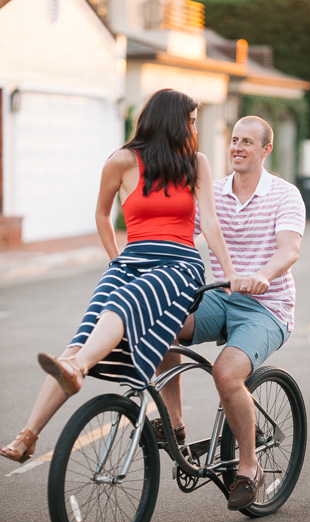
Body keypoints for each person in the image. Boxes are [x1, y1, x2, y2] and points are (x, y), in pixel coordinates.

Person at [0, 89, 238, 465]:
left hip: (180, 265)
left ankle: (78, 369)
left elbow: (208, 221)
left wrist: (230, 273)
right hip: (132, 260)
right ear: (173, 120)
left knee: (123, 304)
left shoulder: (196, 162)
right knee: (82, 337)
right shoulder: (122, 161)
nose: (195, 127)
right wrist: (116, 260)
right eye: (192, 120)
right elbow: (101, 213)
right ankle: (28, 435)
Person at [153, 115, 305, 510]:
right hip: (219, 296)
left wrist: (262, 275)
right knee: (161, 327)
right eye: (234, 140)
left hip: (266, 306)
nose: (237, 147)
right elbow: (182, 233)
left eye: (247, 142)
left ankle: (250, 467)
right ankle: (176, 424)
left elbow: (289, 249)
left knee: (226, 372)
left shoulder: (284, 194)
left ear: (265, 150)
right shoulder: (214, 192)